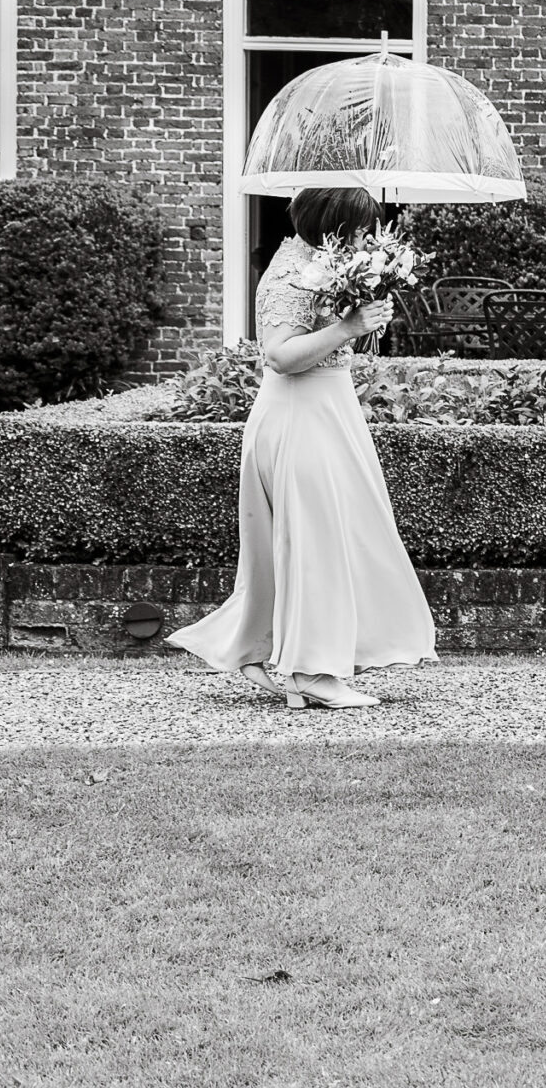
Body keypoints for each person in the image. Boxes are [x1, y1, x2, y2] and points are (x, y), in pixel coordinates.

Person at [171, 187, 436, 709]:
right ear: (329, 223)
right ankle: (311, 672)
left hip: (331, 412)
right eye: (357, 226)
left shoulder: (321, 262)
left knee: (341, 538)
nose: (363, 236)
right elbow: (279, 354)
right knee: (316, 545)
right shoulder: (293, 273)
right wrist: (348, 327)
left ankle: (263, 649)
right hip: (299, 418)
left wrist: (364, 313)